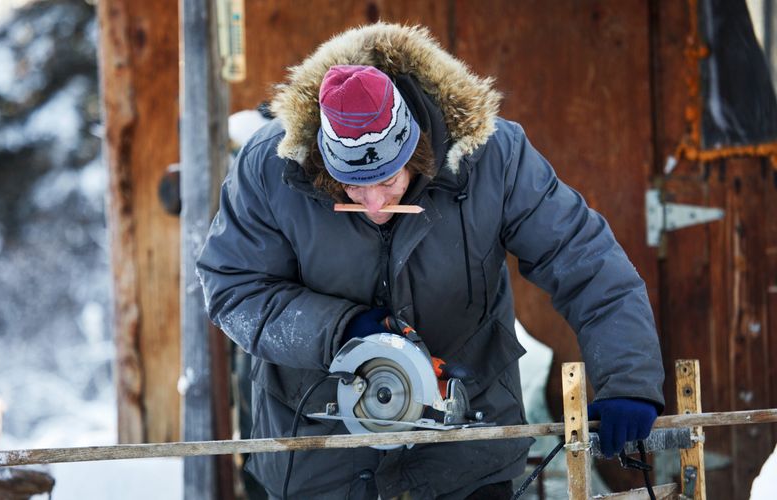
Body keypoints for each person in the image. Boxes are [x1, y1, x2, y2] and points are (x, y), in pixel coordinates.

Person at [197, 23, 665, 499]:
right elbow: (233, 287)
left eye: (387, 181)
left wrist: (627, 378)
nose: (375, 203)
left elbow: (584, 260)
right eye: (353, 187)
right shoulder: (271, 166)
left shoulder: (491, 157)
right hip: (319, 457)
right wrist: (340, 330)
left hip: (465, 453)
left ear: (417, 150)